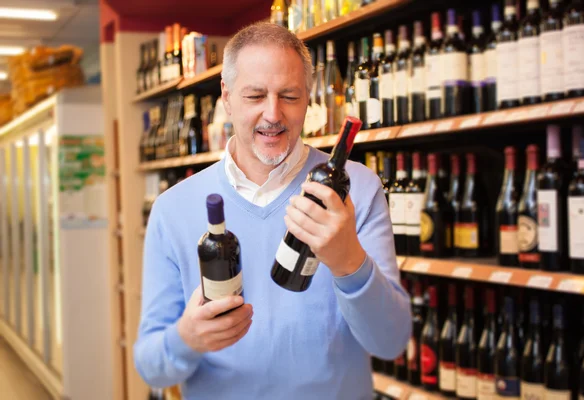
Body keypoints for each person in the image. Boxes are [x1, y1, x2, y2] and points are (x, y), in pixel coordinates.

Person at [134, 22, 412, 399]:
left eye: (289, 96)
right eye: (255, 96)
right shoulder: (173, 209)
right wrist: (186, 339)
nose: (273, 114)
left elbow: (390, 342)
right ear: (227, 98)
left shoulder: (358, 190)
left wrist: (350, 262)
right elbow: (150, 365)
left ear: (309, 98)